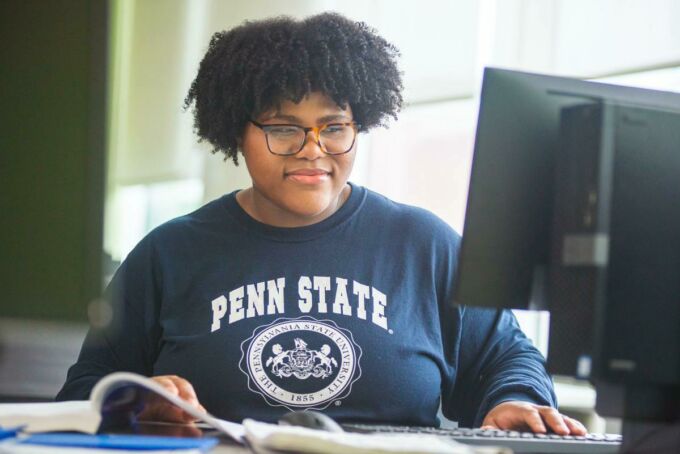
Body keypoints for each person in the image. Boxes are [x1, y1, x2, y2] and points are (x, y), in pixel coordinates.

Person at [57, 12, 586, 435]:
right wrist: (133, 401)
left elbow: (506, 356)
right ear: (235, 132)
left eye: (334, 127)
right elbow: (84, 390)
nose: (313, 151)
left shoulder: (424, 245)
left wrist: (515, 400)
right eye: (285, 129)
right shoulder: (168, 253)